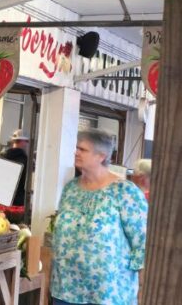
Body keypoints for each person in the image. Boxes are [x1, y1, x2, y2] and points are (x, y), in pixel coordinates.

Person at [50, 130, 147, 305]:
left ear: (101, 156)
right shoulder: (70, 189)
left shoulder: (125, 191)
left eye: (83, 149)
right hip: (66, 290)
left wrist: (143, 286)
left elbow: (142, 241)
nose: (76, 153)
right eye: (76, 148)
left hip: (108, 294)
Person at [2, 130, 30, 207]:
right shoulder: (24, 160)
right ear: (21, 141)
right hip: (18, 202)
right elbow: (27, 183)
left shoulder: (3, 157)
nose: (28, 144)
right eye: (27, 141)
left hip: (2, 199)